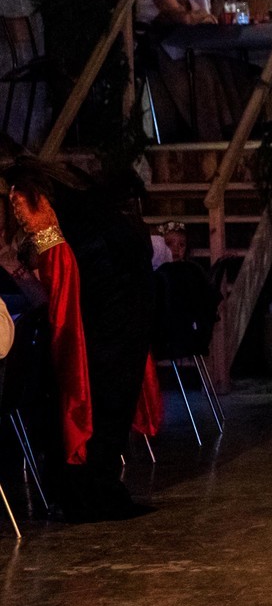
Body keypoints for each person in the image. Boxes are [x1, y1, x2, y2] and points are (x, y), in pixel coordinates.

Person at [2, 156, 156, 522]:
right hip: (127, 300)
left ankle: (85, 492)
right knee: (109, 399)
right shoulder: (78, 195)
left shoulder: (37, 201)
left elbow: (58, 270)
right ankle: (92, 489)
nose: (14, 209)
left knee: (90, 396)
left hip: (109, 309)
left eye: (15, 203)